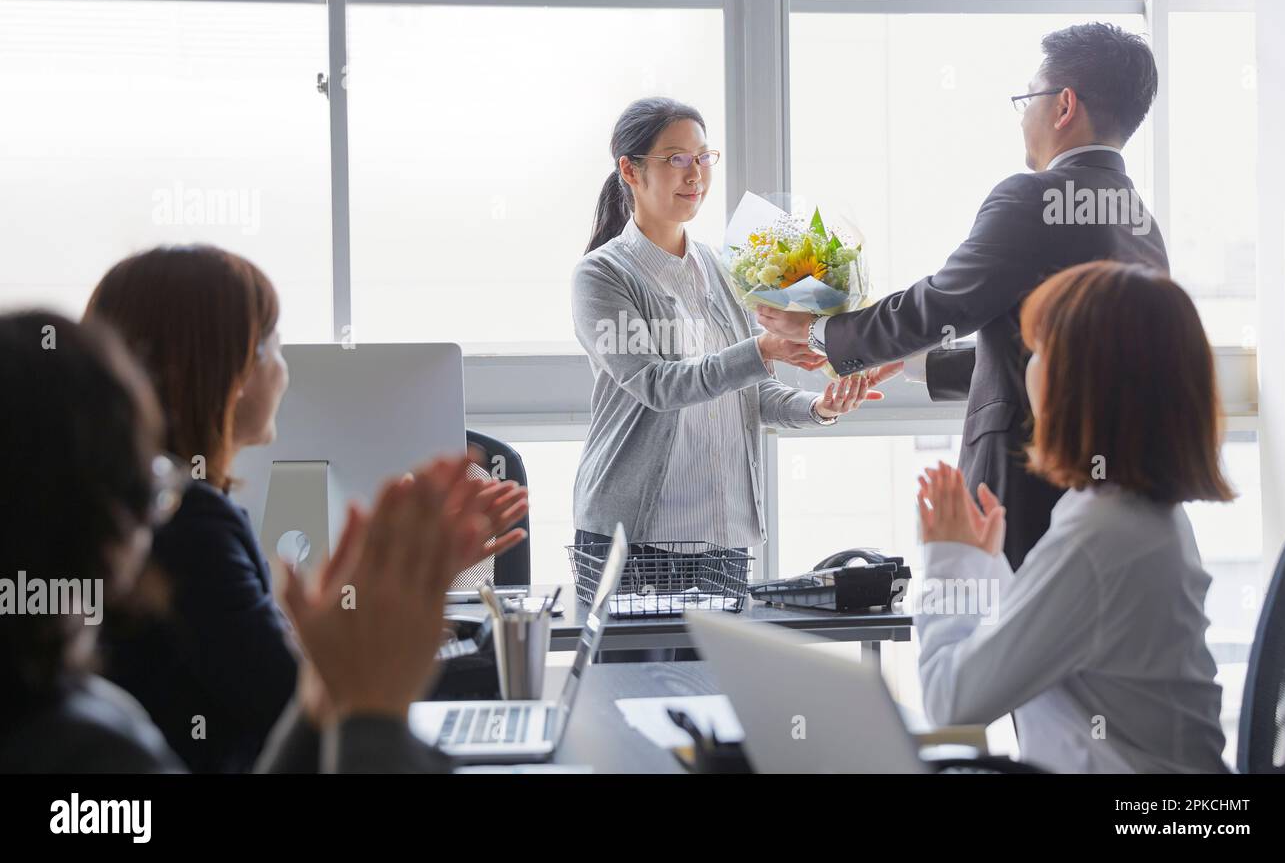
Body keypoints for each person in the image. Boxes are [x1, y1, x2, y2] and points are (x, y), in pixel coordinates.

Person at [0, 309, 507, 772]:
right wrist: (370, 714)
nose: (167, 500)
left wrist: (324, 694)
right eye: (149, 476)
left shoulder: (71, 712)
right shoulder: (87, 752)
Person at [756, 23, 1168, 570]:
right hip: (1115, 482)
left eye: (1028, 98)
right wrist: (916, 364)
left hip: (1023, 484)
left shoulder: (1033, 197)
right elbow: (1063, 358)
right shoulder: (1141, 225)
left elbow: (943, 304)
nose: (1023, 115)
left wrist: (816, 330)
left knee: (1000, 642)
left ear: (1064, 105)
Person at [913, 261, 1233, 773]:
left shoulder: (1100, 536)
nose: (1028, 368)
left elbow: (951, 704)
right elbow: (1040, 632)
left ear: (1084, 383)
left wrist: (949, 563)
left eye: (1039, 351)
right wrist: (984, 563)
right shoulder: (1127, 516)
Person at [572, 96, 899, 556]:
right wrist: (763, 351)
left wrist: (820, 408)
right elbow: (656, 385)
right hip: (637, 542)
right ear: (630, 170)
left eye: (704, 158)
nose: (696, 174)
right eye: (676, 159)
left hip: (725, 537)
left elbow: (749, 393)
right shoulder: (602, 276)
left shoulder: (723, 269)